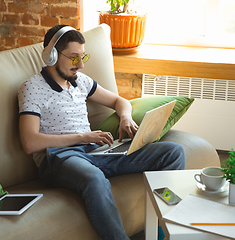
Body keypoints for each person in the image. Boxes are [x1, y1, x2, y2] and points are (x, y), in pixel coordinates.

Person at [18, 25, 185, 240]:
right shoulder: (32, 88)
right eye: (74, 57)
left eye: (83, 56)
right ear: (51, 56)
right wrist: (84, 136)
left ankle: (163, 232)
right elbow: (30, 142)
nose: (81, 65)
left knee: (172, 152)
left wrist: (125, 117)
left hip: (97, 153)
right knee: (94, 178)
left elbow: (119, 101)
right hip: (59, 157)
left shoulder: (80, 82)